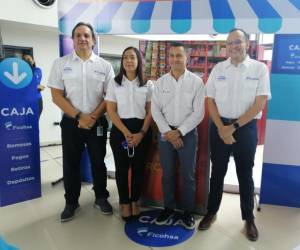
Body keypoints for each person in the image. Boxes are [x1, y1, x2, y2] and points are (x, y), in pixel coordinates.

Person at [198, 28, 271, 241]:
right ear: (225, 47)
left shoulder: (259, 69)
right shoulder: (218, 69)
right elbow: (210, 99)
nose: (233, 46)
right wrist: (222, 127)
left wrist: (234, 127)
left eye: (237, 42)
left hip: (245, 128)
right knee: (217, 172)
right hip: (220, 126)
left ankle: (248, 218)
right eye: (229, 43)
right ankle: (211, 212)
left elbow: (260, 102)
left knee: (245, 174)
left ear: (246, 44)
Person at [48, 22, 115, 222]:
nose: (82, 38)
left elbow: (109, 96)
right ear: (73, 39)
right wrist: (79, 117)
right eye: (78, 35)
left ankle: (101, 198)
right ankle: (71, 202)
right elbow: (57, 96)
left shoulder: (105, 66)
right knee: (71, 163)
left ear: (93, 40)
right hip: (71, 123)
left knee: (98, 162)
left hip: (97, 123)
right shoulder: (61, 63)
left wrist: (92, 117)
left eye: (86, 35)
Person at [151, 42, 205, 230]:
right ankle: (168, 208)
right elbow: (155, 110)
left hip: (188, 134)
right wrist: (168, 132)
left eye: (179, 56)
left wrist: (179, 132)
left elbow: (199, 113)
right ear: (168, 59)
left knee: (188, 176)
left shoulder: (196, 82)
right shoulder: (160, 82)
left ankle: (188, 212)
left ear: (186, 58)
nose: (175, 59)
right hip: (166, 134)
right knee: (168, 174)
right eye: (172, 56)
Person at [106, 47, 152, 221]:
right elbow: (111, 110)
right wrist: (126, 132)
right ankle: (124, 202)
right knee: (122, 169)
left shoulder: (147, 83)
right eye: (125, 57)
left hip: (142, 131)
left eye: (132, 57)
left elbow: (150, 112)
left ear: (139, 61)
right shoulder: (114, 82)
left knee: (139, 169)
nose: (129, 61)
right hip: (120, 131)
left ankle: (135, 201)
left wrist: (140, 133)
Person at [22, 53, 45, 118]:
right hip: (25, 100)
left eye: (29, 59)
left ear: (33, 60)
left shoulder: (37, 70)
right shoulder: (20, 72)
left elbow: (35, 82)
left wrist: (35, 86)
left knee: (36, 120)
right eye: (25, 59)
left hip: (36, 99)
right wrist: (35, 87)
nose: (27, 61)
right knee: (26, 121)